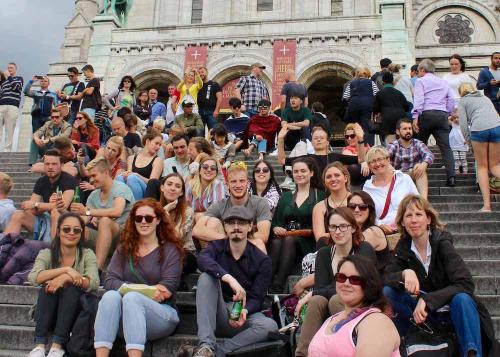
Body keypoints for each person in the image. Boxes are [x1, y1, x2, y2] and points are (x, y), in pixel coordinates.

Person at [384, 194, 500, 357]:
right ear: (402, 222)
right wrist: (405, 273)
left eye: (418, 214)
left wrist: (428, 300)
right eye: (408, 215)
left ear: (428, 219)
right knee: (388, 292)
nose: (414, 220)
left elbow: (465, 283)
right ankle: (405, 345)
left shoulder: (441, 243)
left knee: (462, 298)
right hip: (425, 318)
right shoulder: (403, 247)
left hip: (453, 313)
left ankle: (472, 354)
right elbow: (386, 276)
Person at [177, 206, 278, 357]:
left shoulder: (262, 260)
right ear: (224, 226)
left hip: (243, 315)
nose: (236, 227)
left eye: (241, 223)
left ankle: (213, 352)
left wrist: (245, 310)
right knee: (206, 278)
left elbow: (257, 298)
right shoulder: (216, 247)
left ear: (250, 226)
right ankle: (206, 343)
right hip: (217, 311)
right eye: (231, 222)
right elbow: (203, 260)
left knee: (270, 326)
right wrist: (229, 278)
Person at [94, 199, 183, 357]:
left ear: (158, 220)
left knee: (132, 298)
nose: (143, 221)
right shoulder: (124, 248)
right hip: (126, 318)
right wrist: (138, 289)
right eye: (138, 218)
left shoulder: (171, 250)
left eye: (148, 218)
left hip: (162, 315)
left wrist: (129, 290)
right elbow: (109, 280)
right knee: (110, 296)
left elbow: (166, 289)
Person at [294, 207, 377, 357]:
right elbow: (321, 288)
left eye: (343, 226)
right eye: (333, 227)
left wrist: (312, 292)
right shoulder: (325, 253)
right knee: (317, 300)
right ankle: (302, 354)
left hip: (364, 303)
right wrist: (315, 294)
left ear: (353, 228)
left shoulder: (364, 250)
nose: (338, 231)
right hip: (333, 305)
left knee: (334, 299)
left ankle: (344, 349)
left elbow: (360, 287)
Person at [27, 212, 99, 357]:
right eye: (66, 229)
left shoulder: (87, 254)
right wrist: (66, 270)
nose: (71, 233)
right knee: (48, 287)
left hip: (76, 314)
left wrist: (67, 278)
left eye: (76, 230)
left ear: (81, 233)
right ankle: (40, 346)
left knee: (71, 288)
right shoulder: (46, 253)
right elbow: (34, 277)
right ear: (58, 231)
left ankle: (56, 347)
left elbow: (94, 283)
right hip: (49, 312)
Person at [308, 255, 400, 357]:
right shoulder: (331, 319)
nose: (346, 283)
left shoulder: (377, 321)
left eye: (355, 279)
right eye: (341, 277)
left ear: (369, 285)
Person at [271, 157, 326, 292]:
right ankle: (267, 280)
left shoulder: (321, 195)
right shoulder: (286, 196)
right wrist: (276, 228)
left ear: (311, 173)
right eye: (296, 171)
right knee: (276, 242)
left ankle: (278, 284)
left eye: (303, 171)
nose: (299, 174)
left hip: (309, 241)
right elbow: (277, 222)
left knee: (289, 240)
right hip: (286, 240)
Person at [70, 157, 134, 271]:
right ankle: (67, 266)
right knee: (74, 230)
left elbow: (117, 211)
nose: (91, 180)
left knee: (105, 221)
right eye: (90, 177)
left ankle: (97, 270)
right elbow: (83, 219)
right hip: (103, 238)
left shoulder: (120, 187)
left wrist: (87, 211)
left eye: (94, 176)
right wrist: (69, 221)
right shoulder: (94, 195)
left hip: (125, 237)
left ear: (105, 173)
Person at [193, 162, 271, 253]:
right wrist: (229, 240)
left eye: (242, 181)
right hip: (226, 250)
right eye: (233, 181)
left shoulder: (260, 203)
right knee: (213, 222)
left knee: (259, 243)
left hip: (249, 250)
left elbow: (263, 235)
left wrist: (236, 241)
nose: (238, 185)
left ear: (248, 183)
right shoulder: (220, 205)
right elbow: (196, 230)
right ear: (227, 184)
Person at [4, 150, 76, 242]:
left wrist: (37, 205)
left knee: (55, 212)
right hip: (46, 221)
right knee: (18, 214)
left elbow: (61, 207)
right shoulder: (41, 181)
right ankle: (5, 249)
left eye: (54, 164)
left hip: (66, 222)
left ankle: (55, 251)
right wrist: (43, 205)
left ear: (61, 165)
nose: (50, 167)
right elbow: (32, 209)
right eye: (47, 164)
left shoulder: (68, 180)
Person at [278, 123, 368, 187]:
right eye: (316, 138)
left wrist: (360, 139)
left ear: (327, 142)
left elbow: (360, 159)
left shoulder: (335, 157)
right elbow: (282, 160)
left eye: (322, 138)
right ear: (312, 142)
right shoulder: (306, 158)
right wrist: (280, 140)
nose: (319, 140)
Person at [412, 58, 456, 187]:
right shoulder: (443, 81)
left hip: (426, 114)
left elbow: (419, 99)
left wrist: (415, 116)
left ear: (422, 70)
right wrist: (448, 112)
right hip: (441, 115)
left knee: (420, 145)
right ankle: (451, 177)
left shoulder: (420, 81)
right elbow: (451, 99)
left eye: (419, 70)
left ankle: (418, 175)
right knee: (445, 147)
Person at [458, 82, 500, 212]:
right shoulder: (485, 97)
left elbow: (464, 125)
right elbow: (496, 115)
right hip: (497, 127)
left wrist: (470, 143)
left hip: (478, 130)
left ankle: (487, 206)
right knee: (494, 165)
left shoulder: (463, 101)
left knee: (482, 167)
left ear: (461, 92)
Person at [362, 146, 418, 234]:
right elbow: (368, 213)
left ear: (388, 160)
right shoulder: (367, 188)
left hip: (408, 229)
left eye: (380, 159)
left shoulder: (404, 179)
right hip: (382, 233)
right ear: (369, 166)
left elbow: (418, 203)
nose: (377, 164)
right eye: (372, 161)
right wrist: (379, 225)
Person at [386, 119, 434, 199]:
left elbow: (429, 154)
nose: (408, 131)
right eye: (405, 129)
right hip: (397, 176)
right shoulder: (394, 145)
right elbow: (384, 156)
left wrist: (424, 164)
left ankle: (423, 202)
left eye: (410, 128)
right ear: (398, 132)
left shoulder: (417, 143)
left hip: (413, 174)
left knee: (419, 167)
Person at [160, 173, 197, 273]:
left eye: (177, 186)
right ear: (162, 187)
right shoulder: (154, 210)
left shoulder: (187, 211)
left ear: (181, 192)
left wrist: (165, 214)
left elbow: (176, 237)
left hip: (183, 253)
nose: (172, 188)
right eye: (169, 184)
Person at [347, 191, 390, 274]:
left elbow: (350, 253)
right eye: (352, 206)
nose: (356, 210)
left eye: (362, 207)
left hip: (375, 282)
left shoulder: (373, 231)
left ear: (370, 210)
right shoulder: (349, 232)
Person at [117, 130, 163, 199]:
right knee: (120, 177)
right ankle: (121, 204)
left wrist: (137, 175)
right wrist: (126, 174)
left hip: (148, 192)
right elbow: (128, 176)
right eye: (156, 143)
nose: (158, 147)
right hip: (131, 188)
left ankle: (137, 206)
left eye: (160, 145)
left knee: (132, 178)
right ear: (147, 141)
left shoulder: (157, 160)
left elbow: (152, 183)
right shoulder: (131, 158)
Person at [312, 162, 351, 243]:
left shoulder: (356, 201)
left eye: (337, 175)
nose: (333, 179)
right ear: (325, 182)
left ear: (345, 178)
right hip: (330, 248)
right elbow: (320, 237)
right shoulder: (319, 207)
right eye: (329, 177)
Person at [24, 76, 59, 164]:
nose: (43, 82)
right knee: (35, 137)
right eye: (42, 81)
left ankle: (47, 158)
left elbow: (57, 106)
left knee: (48, 138)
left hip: (48, 118)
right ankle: (32, 161)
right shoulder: (36, 93)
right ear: (40, 83)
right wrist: (31, 81)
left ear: (48, 83)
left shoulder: (52, 94)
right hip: (36, 117)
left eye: (45, 81)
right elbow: (25, 91)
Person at [343, 67, 379, 145]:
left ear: (357, 74)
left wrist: (350, 104)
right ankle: (367, 145)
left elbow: (345, 97)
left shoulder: (351, 83)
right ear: (367, 74)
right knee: (366, 126)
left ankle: (354, 145)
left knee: (355, 125)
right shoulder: (371, 82)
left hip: (354, 105)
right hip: (367, 105)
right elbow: (377, 95)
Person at [372, 71, 409, 144]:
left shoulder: (380, 93)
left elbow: (375, 109)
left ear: (383, 81)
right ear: (392, 81)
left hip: (387, 120)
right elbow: (406, 107)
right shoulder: (399, 93)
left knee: (390, 143)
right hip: (401, 119)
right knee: (401, 142)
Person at [0, 62, 23, 151]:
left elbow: (16, 88)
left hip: (13, 106)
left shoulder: (19, 78)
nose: (9, 69)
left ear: (15, 69)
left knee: (9, 130)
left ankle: (6, 150)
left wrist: (9, 77)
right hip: (2, 105)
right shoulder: (3, 82)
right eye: (8, 68)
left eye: (11, 68)